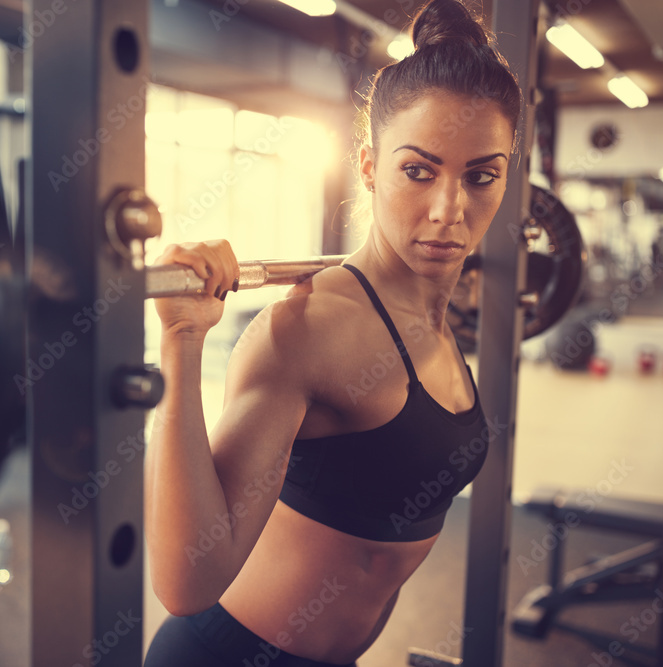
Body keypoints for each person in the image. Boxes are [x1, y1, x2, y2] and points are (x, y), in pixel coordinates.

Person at [142, 0, 522, 665]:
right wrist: (182, 341)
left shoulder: (434, 313)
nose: (449, 210)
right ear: (371, 166)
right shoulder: (310, 328)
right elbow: (186, 580)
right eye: (418, 170)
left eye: (480, 176)